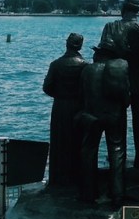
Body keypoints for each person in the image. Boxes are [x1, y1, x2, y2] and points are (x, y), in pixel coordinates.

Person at [99, 0, 139, 192]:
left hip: (116, 83)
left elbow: (103, 55)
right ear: (138, 10)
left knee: (117, 132)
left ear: (123, 8)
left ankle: (118, 175)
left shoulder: (110, 27)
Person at [78, 42, 130, 205]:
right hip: (114, 115)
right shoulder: (121, 67)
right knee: (117, 151)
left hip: (92, 116)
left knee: (88, 151)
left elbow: (81, 95)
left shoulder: (87, 70)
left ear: (100, 54)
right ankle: (117, 194)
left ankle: (88, 193)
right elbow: (125, 94)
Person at [42, 33, 87, 187]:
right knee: (77, 142)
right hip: (78, 107)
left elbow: (47, 87)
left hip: (60, 107)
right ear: (80, 46)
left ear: (66, 44)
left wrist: (60, 96)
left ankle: (58, 178)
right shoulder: (84, 65)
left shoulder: (55, 64)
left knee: (59, 142)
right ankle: (77, 177)